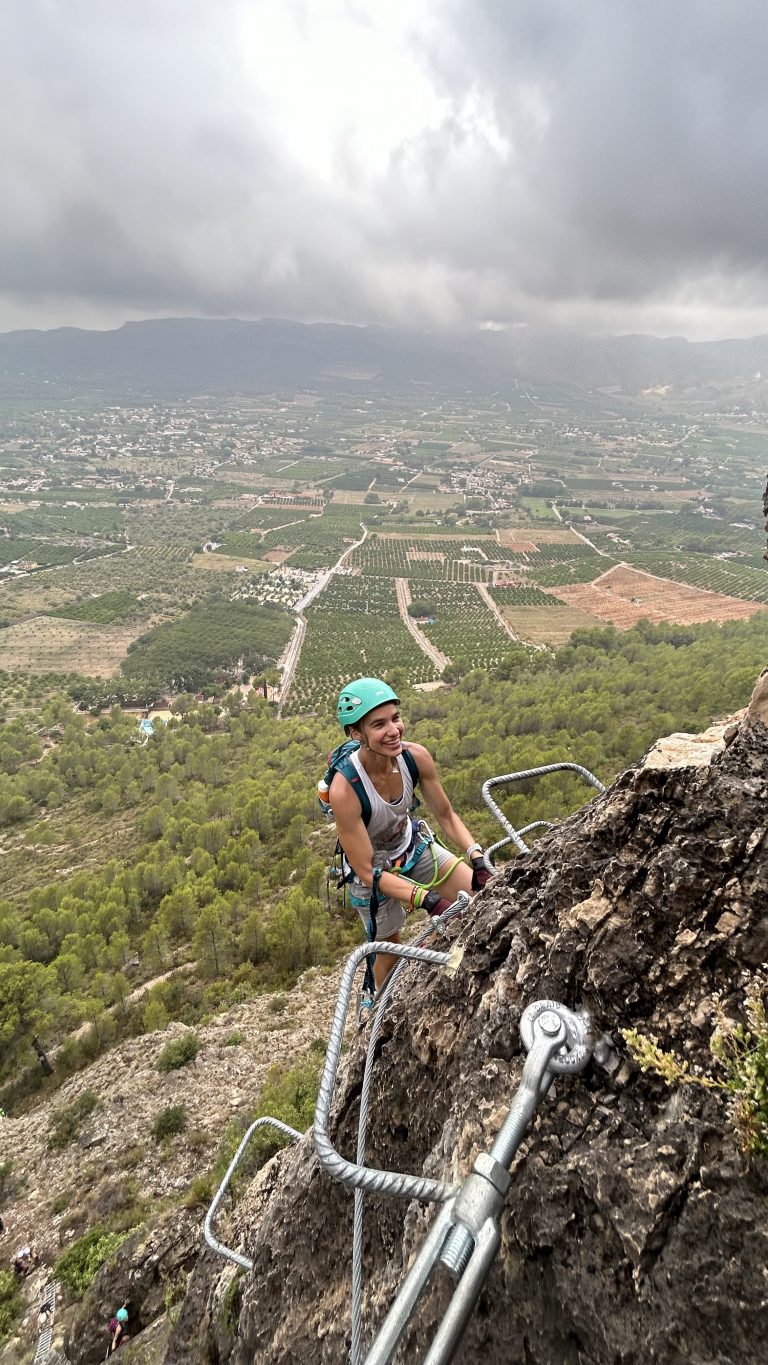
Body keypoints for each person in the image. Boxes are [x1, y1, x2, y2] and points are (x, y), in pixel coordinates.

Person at [329, 678, 491, 990]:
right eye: (379, 724)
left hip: (412, 848)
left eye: (395, 718)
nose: (393, 731)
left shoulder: (414, 758)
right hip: (373, 875)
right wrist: (426, 899)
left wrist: (476, 855)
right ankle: (380, 1015)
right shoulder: (345, 789)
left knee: (478, 896)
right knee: (388, 956)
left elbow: (446, 815)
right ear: (356, 733)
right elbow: (366, 870)